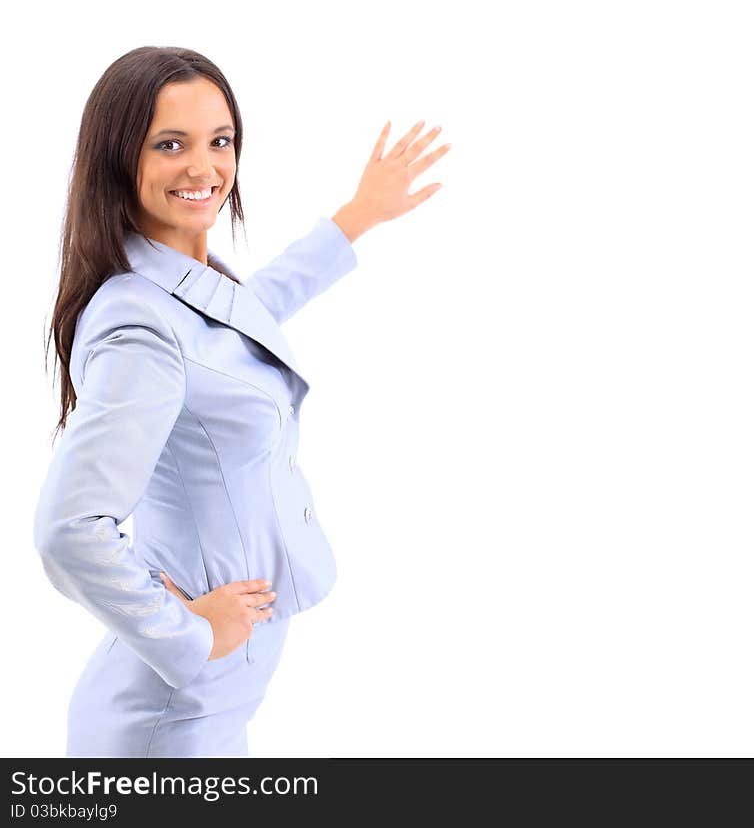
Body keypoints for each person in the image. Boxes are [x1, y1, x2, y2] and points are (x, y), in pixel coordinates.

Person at [33, 45, 450, 757]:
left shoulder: (182, 279)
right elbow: (68, 528)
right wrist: (191, 631)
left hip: (212, 706)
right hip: (169, 721)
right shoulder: (138, 322)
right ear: (118, 159)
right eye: (171, 145)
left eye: (220, 141)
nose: (205, 167)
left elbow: (241, 321)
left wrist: (353, 219)